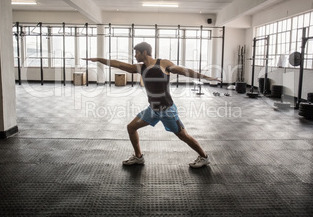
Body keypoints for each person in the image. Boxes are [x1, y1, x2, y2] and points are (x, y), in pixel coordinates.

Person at [83, 42, 220, 168]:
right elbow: (118, 64)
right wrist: (99, 59)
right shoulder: (139, 67)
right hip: (152, 110)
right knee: (131, 127)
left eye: (136, 53)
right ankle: (138, 157)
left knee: (183, 135)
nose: (135, 55)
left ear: (144, 52)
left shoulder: (163, 64)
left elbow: (185, 71)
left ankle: (204, 157)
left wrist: (206, 78)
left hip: (167, 110)